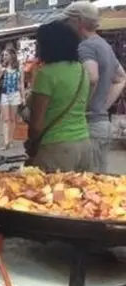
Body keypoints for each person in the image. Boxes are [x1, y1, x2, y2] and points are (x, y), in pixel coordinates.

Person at [58, 1, 126, 173]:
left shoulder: (85, 45)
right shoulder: (104, 45)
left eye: (67, 22)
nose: (65, 27)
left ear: (78, 22)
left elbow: (92, 77)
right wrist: (103, 105)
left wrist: (83, 107)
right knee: (98, 181)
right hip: (102, 123)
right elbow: (121, 78)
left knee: (86, 185)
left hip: (88, 126)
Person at [28, 21, 91, 172]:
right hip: (84, 143)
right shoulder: (81, 70)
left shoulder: (46, 74)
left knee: (50, 194)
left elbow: (36, 124)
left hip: (56, 147)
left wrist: (32, 144)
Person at [0, 49, 24, 150]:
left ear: (12, 55)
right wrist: (1, 73)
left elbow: (21, 83)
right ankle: (6, 141)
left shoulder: (19, 67)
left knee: (13, 118)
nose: (4, 57)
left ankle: (11, 139)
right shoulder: (0, 67)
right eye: (3, 55)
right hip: (5, 94)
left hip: (15, 94)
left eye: (6, 55)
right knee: (6, 119)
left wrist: (23, 97)